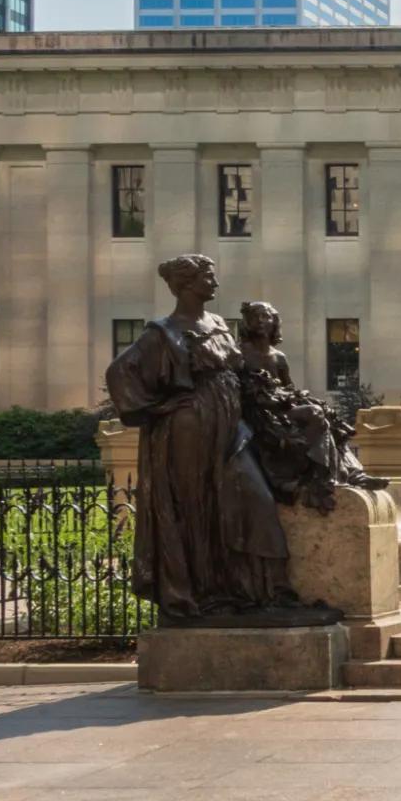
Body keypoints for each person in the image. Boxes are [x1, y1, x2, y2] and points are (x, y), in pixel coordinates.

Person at [104, 254, 295, 619]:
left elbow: (245, 373)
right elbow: (120, 372)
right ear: (186, 283)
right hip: (189, 429)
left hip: (232, 427)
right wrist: (161, 407)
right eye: (208, 276)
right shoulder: (163, 332)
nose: (215, 283)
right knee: (195, 506)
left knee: (253, 498)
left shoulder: (220, 324)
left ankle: (253, 590)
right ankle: (200, 593)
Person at [236, 300, 386, 511]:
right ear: (247, 322)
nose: (260, 321)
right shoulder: (239, 353)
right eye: (255, 316)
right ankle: (323, 477)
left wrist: (298, 397)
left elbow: (289, 389)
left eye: (266, 316)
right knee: (313, 414)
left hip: (282, 408)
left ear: (274, 322)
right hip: (260, 413)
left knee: (329, 420)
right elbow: (238, 390)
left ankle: (353, 473)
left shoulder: (279, 358)